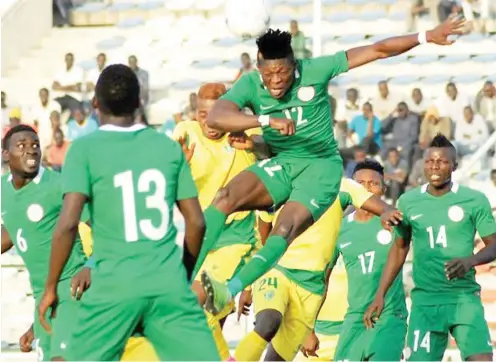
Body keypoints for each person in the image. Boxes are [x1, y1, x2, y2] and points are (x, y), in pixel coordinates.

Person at [200, 17, 465, 314]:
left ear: (294, 64)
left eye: (283, 72)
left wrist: (426, 35)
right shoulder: (249, 83)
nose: (276, 80)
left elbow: (377, 49)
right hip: (285, 163)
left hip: (321, 168)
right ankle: (184, 279)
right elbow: (216, 116)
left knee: (284, 228)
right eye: (270, 73)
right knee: (223, 198)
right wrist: (263, 121)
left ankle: (228, 290)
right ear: (259, 68)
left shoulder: (315, 70)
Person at [37, 64, 219, 361]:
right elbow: (196, 222)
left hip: (114, 285)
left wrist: (49, 287)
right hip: (167, 284)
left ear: (95, 103)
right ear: (138, 102)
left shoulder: (83, 150)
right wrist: (180, 277)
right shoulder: (166, 147)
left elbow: (68, 224)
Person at [234, 176, 403, 362]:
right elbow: (263, 237)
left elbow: (372, 202)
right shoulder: (281, 183)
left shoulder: (343, 187)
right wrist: (248, 285)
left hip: (311, 287)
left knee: (276, 358)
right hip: (280, 271)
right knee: (268, 322)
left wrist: (387, 211)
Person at [364, 134, 496, 361]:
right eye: (430, 161)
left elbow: (494, 245)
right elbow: (400, 248)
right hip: (425, 302)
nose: (435, 166)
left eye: (442, 161)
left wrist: (470, 261)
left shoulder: (474, 200)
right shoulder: (409, 201)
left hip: (463, 298)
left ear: (454, 166)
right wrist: (380, 294)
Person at [172, 82, 266, 360]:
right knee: (203, 320)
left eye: (215, 115)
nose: (209, 122)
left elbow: (280, 158)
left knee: (196, 303)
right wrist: (178, 164)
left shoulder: (246, 135)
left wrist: (256, 146)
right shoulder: (186, 134)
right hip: (198, 238)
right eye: (202, 114)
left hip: (236, 240)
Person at [1, 125, 89, 361]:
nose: (31, 150)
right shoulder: (4, 190)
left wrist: (93, 265)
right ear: (5, 154)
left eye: (35, 145)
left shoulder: (59, 184)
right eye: (21, 146)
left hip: (71, 288)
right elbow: (12, 230)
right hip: (44, 296)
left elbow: (99, 224)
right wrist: (33, 326)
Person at [331, 160, 407, 361]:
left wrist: (386, 212)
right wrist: (308, 327)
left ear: (383, 188)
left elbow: (405, 243)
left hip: (388, 315)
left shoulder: (395, 222)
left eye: (373, 184)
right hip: (354, 318)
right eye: (360, 184)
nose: (366, 188)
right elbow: (323, 277)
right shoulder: (340, 228)